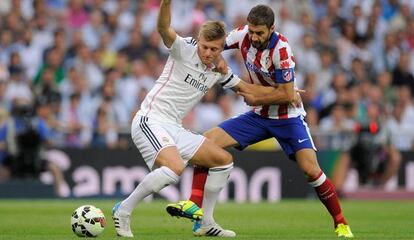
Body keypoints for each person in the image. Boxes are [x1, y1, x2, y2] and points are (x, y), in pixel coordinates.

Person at [165, 5, 354, 238]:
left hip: (287, 117)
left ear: (272, 29)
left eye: (259, 33)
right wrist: (218, 60)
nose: (254, 37)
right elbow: (212, 43)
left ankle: (341, 222)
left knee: (310, 170)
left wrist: (253, 92)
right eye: (252, 31)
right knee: (206, 142)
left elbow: (286, 95)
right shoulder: (243, 35)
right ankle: (195, 205)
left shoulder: (281, 49)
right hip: (258, 115)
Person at [111, 1, 295, 238]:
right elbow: (164, 28)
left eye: (214, 50)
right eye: (205, 47)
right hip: (150, 119)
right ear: (199, 40)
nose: (208, 53)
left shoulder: (218, 69)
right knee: (175, 166)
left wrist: (286, 93)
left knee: (222, 160)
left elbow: (247, 90)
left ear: (222, 49)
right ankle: (123, 210)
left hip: (174, 127)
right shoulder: (184, 48)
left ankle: (205, 223)